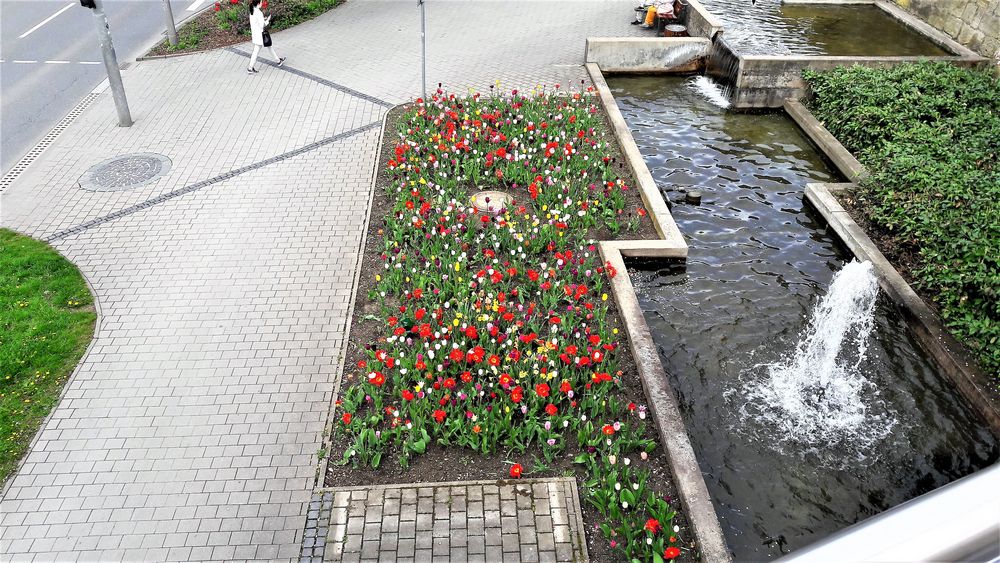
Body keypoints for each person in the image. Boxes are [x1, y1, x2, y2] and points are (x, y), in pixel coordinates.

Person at [246, 0, 285, 74]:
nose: (262, 3)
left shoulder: (252, 11)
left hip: (255, 34)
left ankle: (278, 61)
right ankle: (250, 68)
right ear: (258, 3)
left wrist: (263, 20)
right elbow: (262, 25)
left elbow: (256, 22)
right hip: (260, 35)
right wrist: (267, 20)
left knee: (262, 49)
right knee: (265, 48)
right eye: (261, 2)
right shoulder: (259, 13)